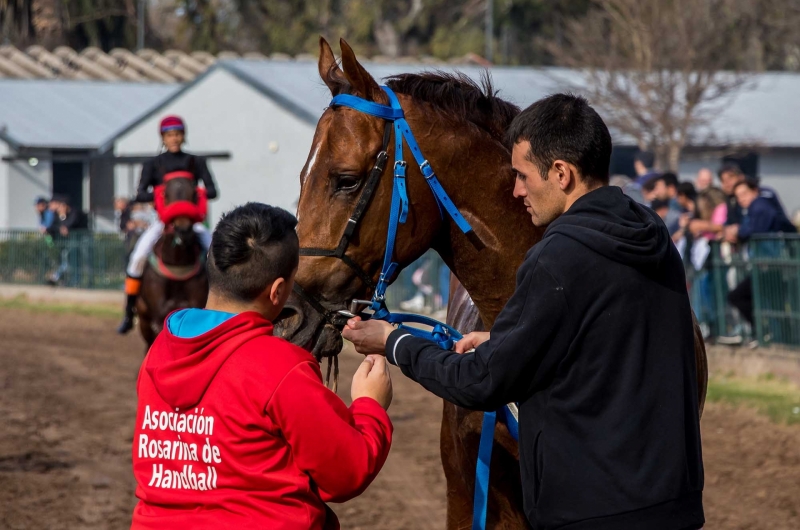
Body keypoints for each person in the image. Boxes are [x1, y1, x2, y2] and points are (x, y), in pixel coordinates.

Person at [343, 94, 704, 530]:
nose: (516, 191)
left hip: (590, 513)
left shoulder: (557, 256)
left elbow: (482, 381)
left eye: (522, 175)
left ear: (561, 174)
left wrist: (394, 343)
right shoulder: (650, 233)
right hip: (674, 507)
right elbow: (606, 335)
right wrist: (506, 340)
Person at [131, 202, 393, 529]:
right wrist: (370, 405)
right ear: (278, 291)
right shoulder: (281, 366)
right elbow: (346, 473)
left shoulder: (162, 348)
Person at [118, 115, 219, 334]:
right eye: (169, 135)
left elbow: (213, 190)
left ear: (183, 136)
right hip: (163, 222)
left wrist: (197, 192)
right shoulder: (153, 164)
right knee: (137, 258)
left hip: (193, 223)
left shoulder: (196, 162)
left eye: (177, 134)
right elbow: (141, 193)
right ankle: (129, 312)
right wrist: (159, 194)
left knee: (217, 256)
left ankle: (220, 308)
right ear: (163, 137)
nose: (174, 138)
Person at [725, 180, 796, 336]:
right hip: (768, 262)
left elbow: (754, 231)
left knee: (746, 297)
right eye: (738, 196)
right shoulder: (758, 206)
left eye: (744, 194)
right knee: (773, 303)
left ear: (755, 191)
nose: (741, 199)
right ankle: (776, 335)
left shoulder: (759, 206)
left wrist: (738, 231)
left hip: (769, 262)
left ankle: (772, 334)